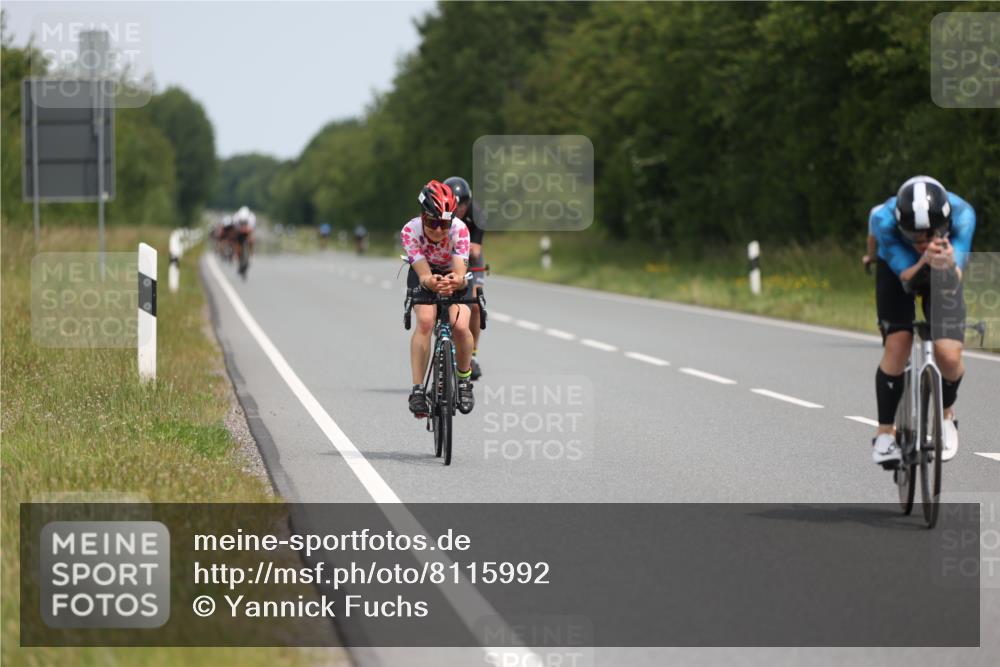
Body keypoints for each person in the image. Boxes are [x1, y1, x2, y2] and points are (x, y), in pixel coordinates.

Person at [869, 175, 976, 466]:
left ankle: (947, 415)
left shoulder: (963, 214)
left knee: (949, 356)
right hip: (898, 271)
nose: (922, 241)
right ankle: (884, 436)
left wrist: (950, 262)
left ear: (944, 223)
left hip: (944, 265)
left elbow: (957, 276)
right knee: (898, 343)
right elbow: (906, 277)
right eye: (913, 235)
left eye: (929, 234)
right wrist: (923, 259)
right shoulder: (883, 220)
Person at [403, 180, 475, 417]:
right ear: (422, 216)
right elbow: (423, 274)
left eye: (444, 224)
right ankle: (417, 390)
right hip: (424, 274)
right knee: (425, 321)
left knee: (461, 325)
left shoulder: (460, 229)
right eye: (432, 223)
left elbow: (460, 272)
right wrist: (431, 281)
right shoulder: (410, 231)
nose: (438, 230)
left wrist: (456, 280)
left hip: (453, 274)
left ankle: (464, 382)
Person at [443, 176, 486, 380]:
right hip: (445, 256)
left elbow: (475, 251)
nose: (459, 209)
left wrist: (459, 247)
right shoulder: (440, 211)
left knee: (475, 303)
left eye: (463, 205)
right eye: (456, 205)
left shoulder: (477, 214)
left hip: (470, 258)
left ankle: (473, 354)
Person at [232, 206, 257, 275]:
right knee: (237, 241)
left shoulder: (251, 218)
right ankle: (237, 255)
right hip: (239, 233)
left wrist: (250, 237)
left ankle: (251, 254)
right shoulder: (236, 218)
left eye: (244, 222)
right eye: (242, 222)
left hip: (248, 232)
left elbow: (252, 230)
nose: (243, 223)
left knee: (251, 240)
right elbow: (235, 230)